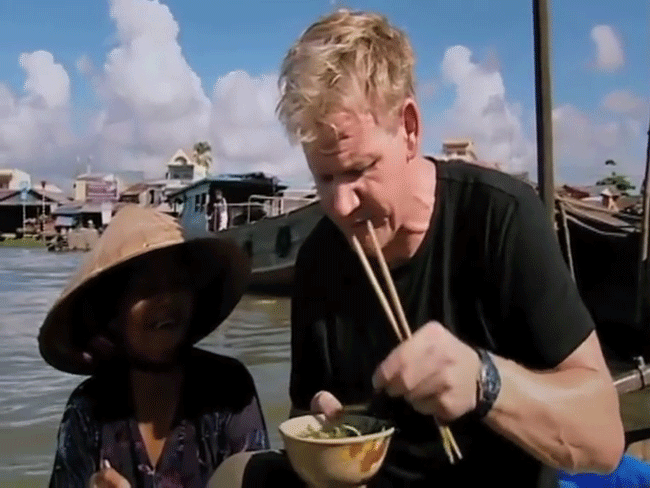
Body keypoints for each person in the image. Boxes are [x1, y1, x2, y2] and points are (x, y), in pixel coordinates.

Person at [272, 8, 624, 488]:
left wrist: (484, 382)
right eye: (324, 177)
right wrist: (322, 423)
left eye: (357, 170)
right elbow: (305, 406)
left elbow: (604, 441)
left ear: (409, 128)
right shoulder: (319, 259)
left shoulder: (499, 218)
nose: (339, 205)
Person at [40, 205, 270, 488]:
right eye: (146, 288)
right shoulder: (88, 409)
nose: (167, 300)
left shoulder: (229, 388)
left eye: (178, 283)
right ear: (112, 313)